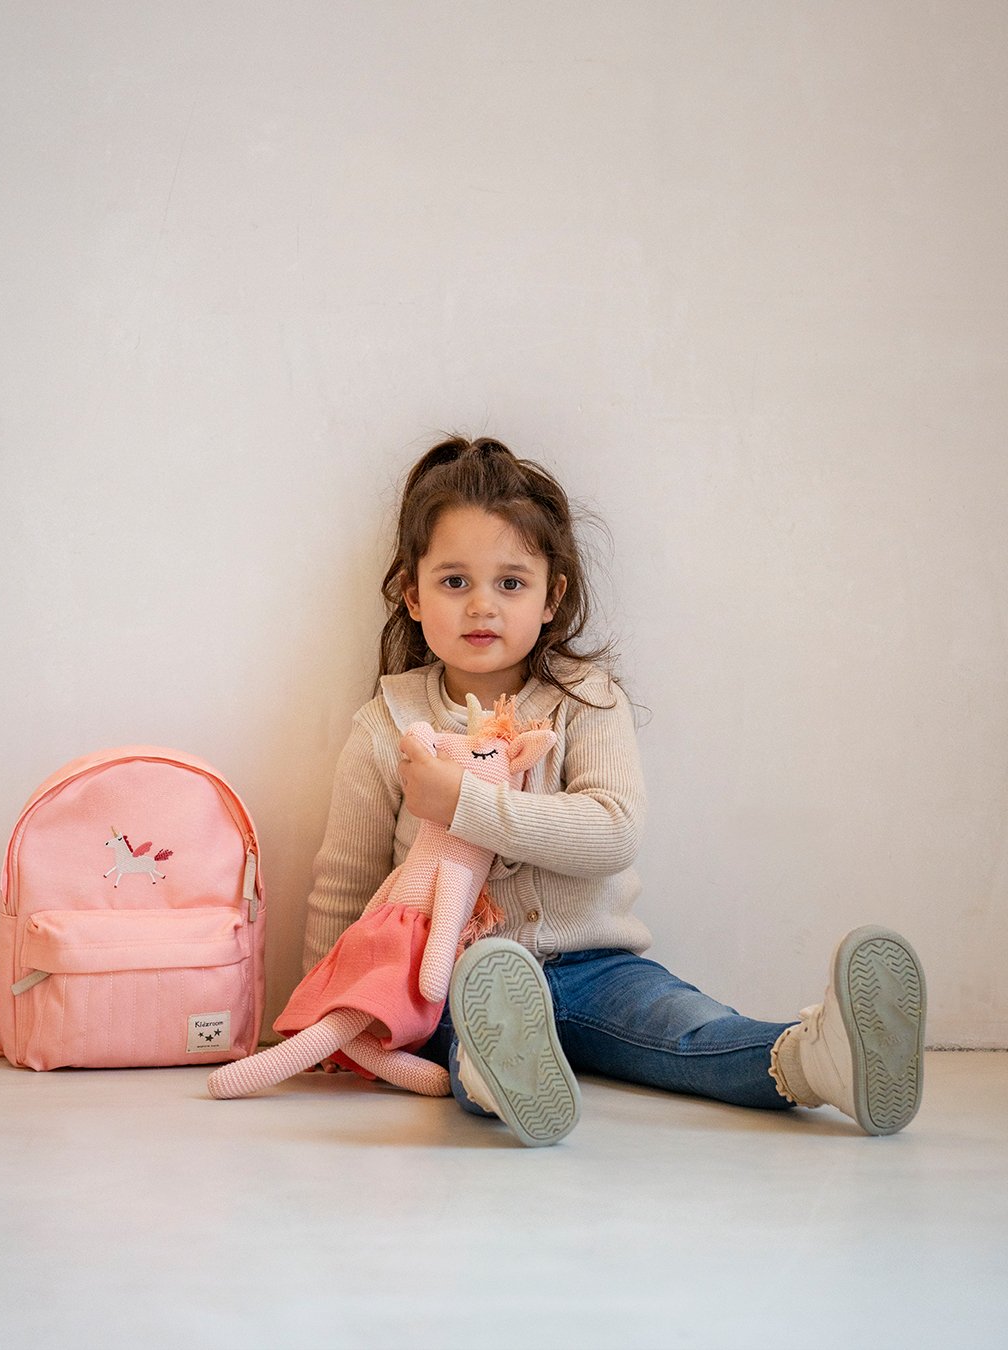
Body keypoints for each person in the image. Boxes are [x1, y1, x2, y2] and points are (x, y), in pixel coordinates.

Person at [299, 435, 927, 1146]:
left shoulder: (586, 702)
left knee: (694, 1033)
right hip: (452, 977)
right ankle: (497, 1074)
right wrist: (326, 1019)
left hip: (598, 967)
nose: (481, 607)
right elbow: (344, 881)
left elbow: (613, 832)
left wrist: (466, 805)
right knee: (465, 1032)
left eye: (511, 583)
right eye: (454, 582)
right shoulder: (388, 725)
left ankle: (822, 1059)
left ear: (552, 596)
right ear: (412, 595)